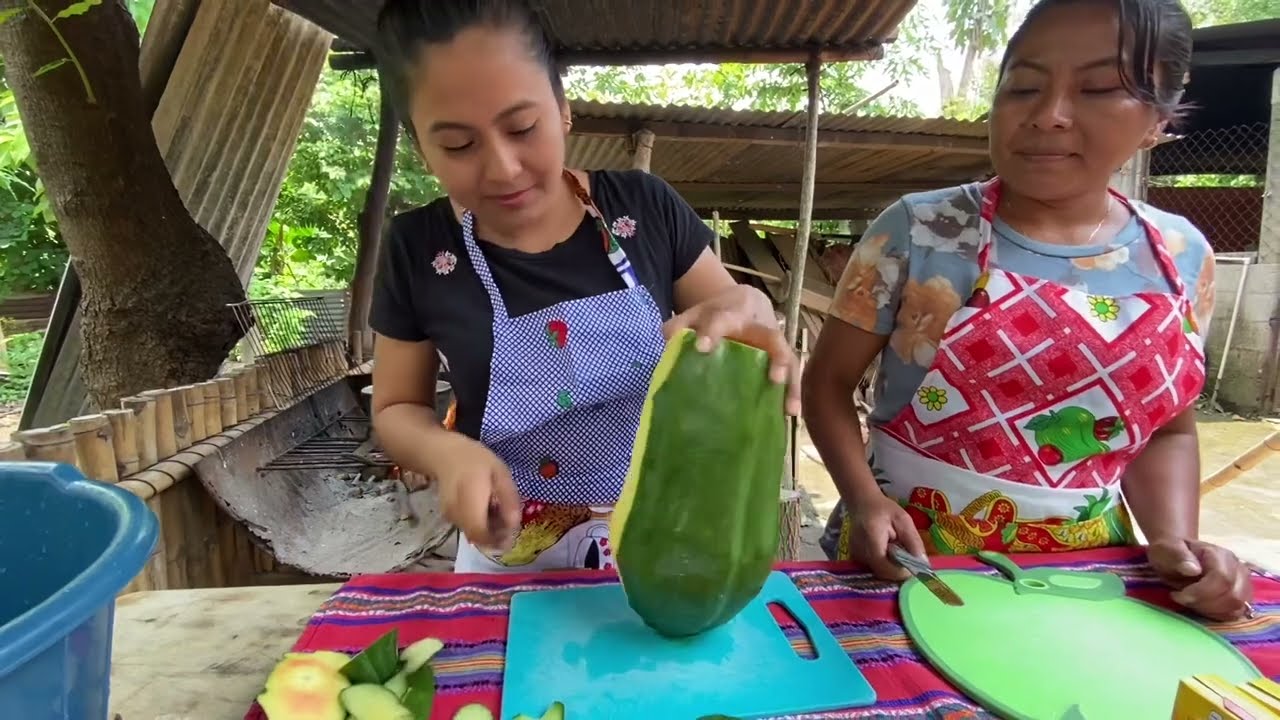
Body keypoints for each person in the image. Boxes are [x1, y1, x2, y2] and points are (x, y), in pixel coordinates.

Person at [802, 0, 1254, 622]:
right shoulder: (922, 231)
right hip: (908, 560)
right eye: (1023, 87)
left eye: (1097, 88)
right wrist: (863, 500)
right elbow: (826, 383)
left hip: (1087, 579)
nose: (1048, 116)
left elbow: (1167, 431)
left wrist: (1178, 542)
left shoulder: (1182, 255)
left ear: (1157, 117)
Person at [367, 0, 799, 574]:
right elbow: (397, 407)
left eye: (522, 128)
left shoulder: (644, 209)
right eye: (458, 145)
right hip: (509, 545)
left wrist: (751, 310)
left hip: (668, 532)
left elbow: (735, 322)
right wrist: (446, 453)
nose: (502, 168)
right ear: (422, 149)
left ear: (564, 109)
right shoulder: (419, 248)